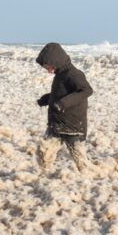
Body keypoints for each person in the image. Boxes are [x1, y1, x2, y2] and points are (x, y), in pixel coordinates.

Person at [35, 42, 94, 173]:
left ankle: (90, 177)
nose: (47, 69)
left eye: (48, 66)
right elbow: (61, 94)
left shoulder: (74, 74)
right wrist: (46, 99)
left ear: (57, 61)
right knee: (44, 152)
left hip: (73, 125)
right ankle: (45, 175)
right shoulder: (60, 75)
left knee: (80, 161)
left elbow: (87, 90)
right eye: (45, 67)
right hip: (57, 124)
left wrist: (62, 103)